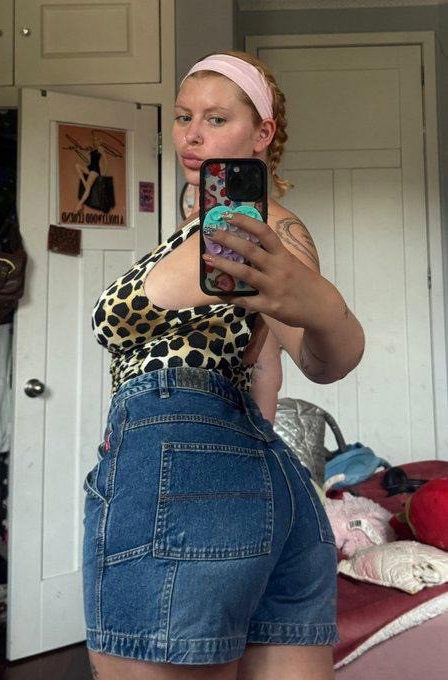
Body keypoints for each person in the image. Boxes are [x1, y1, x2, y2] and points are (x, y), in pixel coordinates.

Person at [83, 51, 365, 680]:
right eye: (183, 117)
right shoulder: (202, 230)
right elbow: (265, 372)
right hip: (258, 479)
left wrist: (326, 310)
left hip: (179, 469)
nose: (192, 134)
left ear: (262, 134)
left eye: (216, 119)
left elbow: (323, 357)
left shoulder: (263, 230)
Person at [75, 129, 107, 212]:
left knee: (88, 188)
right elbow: (84, 150)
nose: (94, 141)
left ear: (99, 141)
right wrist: (79, 144)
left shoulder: (100, 149)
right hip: (90, 167)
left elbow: (106, 161)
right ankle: (84, 183)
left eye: (96, 140)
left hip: (95, 169)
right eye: (94, 140)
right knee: (77, 166)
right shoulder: (93, 148)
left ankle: (79, 205)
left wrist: (104, 172)